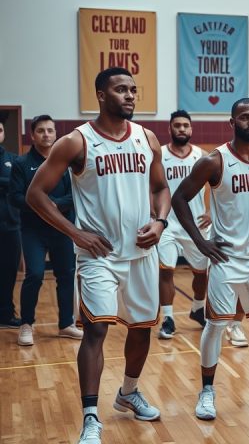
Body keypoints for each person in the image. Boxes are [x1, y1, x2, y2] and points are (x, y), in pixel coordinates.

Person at [26, 67, 170, 443]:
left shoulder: (147, 138)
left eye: (133, 89)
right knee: (96, 330)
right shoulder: (77, 142)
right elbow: (35, 193)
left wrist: (160, 222)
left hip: (140, 253)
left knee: (141, 329)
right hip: (99, 256)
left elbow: (161, 188)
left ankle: (128, 392)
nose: (130, 95)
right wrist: (76, 233)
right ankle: (91, 417)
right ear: (101, 95)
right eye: (121, 89)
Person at [172, 98, 249, 420]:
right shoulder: (214, 161)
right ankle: (207, 390)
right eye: (244, 117)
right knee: (216, 324)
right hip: (226, 258)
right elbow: (179, 198)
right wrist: (200, 242)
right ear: (232, 122)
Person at [10, 115, 82, 345]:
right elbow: (15, 197)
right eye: (41, 131)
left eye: (50, 130)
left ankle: (66, 324)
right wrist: (41, 204)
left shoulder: (67, 162)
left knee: (66, 274)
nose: (46, 135)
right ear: (33, 135)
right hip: (33, 231)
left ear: (56, 134)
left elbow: (75, 195)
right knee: (35, 274)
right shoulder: (21, 163)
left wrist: (55, 204)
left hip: (62, 228)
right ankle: (26, 324)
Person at [157, 110, 211, 339]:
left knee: (202, 274)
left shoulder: (203, 156)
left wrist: (211, 211)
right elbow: (150, 185)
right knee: (166, 271)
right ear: (169, 128)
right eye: (177, 125)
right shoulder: (158, 155)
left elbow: (218, 186)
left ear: (191, 129)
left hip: (195, 224)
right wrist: (154, 214)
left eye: (185, 125)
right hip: (167, 224)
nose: (181, 129)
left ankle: (198, 308)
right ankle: (168, 318)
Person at [0, 121, 21, 328]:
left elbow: (18, 186)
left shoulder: (13, 160)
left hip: (11, 226)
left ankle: (6, 315)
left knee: (8, 272)